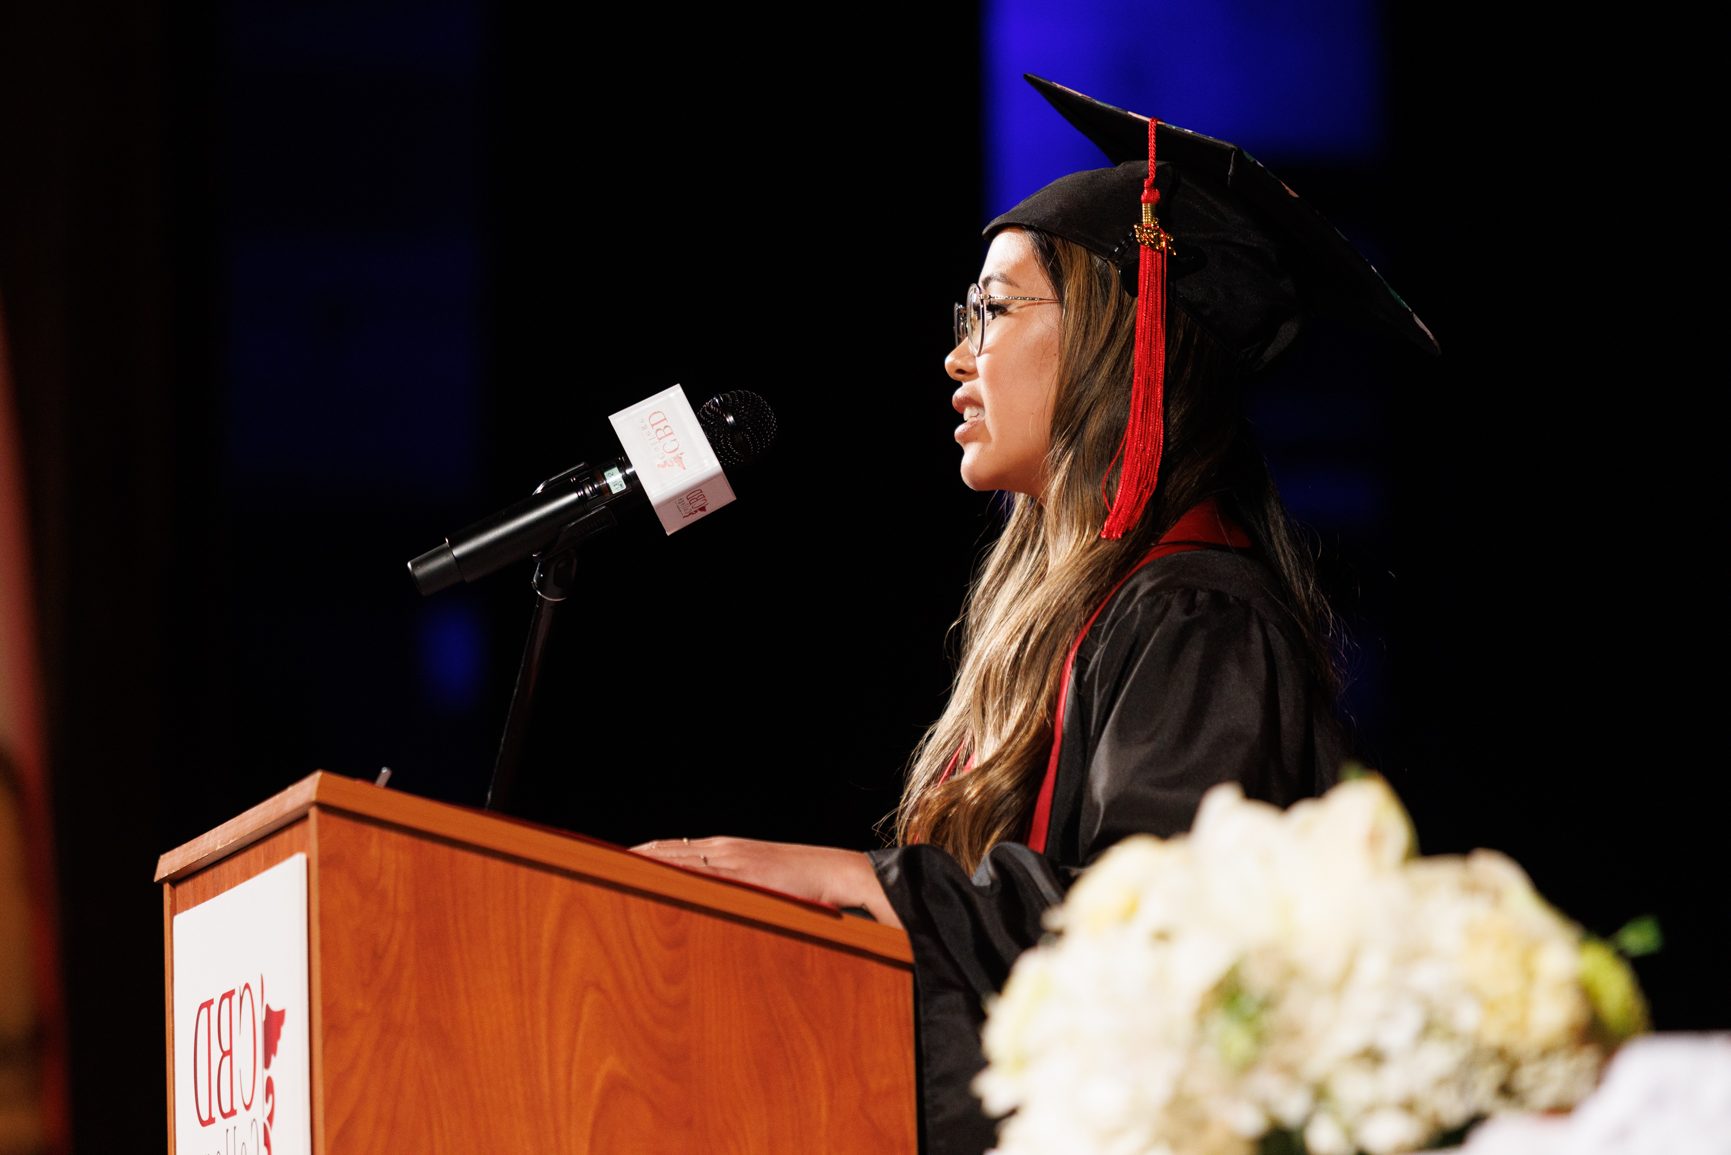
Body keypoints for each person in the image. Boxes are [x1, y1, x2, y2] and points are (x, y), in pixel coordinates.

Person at [634, 75, 1438, 1155]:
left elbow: (1159, 923)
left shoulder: (1198, 614)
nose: (958, 355)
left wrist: (851, 883)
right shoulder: (1086, 618)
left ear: (1121, 336)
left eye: (994, 310)